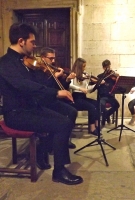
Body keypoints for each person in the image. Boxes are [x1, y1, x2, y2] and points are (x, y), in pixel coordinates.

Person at [0, 23, 83, 185]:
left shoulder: (25, 62)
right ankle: (59, 171)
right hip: (16, 114)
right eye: (33, 42)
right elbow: (24, 85)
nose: (35, 46)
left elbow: (38, 84)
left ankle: (44, 152)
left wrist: (47, 74)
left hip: (31, 109)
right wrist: (56, 92)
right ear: (21, 41)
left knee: (64, 117)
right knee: (62, 123)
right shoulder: (5, 63)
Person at [39, 47, 77, 149]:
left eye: (54, 58)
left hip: (53, 100)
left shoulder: (51, 70)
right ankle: (51, 142)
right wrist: (55, 76)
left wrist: (68, 79)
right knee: (60, 117)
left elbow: (60, 87)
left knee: (72, 111)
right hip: (43, 102)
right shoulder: (39, 70)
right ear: (43, 58)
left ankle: (65, 139)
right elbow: (42, 87)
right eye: (50, 58)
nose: (53, 61)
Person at [70, 58, 102, 136]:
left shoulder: (84, 75)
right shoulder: (73, 74)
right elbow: (70, 85)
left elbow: (87, 89)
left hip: (83, 97)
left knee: (97, 103)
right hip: (76, 98)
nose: (85, 68)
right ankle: (92, 128)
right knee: (91, 107)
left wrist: (96, 85)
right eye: (83, 66)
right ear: (79, 66)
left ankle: (97, 124)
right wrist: (80, 88)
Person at [97, 59, 120, 125]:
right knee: (101, 105)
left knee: (117, 105)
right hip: (103, 96)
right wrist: (100, 82)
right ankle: (105, 117)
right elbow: (96, 86)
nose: (108, 68)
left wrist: (117, 78)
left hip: (110, 96)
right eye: (106, 67)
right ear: (103, 68)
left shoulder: (113, 76)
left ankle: (106, 115)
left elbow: (117, 83)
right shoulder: (100, 76)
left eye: (109, 66)